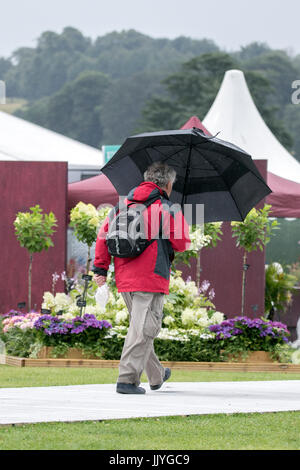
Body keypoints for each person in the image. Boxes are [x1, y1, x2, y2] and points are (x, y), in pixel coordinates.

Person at [92, 161, 190, 394]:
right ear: (167, 184)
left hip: (124, 278)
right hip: (151, 276)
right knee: (143, 330)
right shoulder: (166, 208)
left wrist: (100, 270)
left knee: (141, 328)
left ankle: (156, 375)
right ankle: (126, 379)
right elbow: (183, 243)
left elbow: (102, 238)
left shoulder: (120, 205)